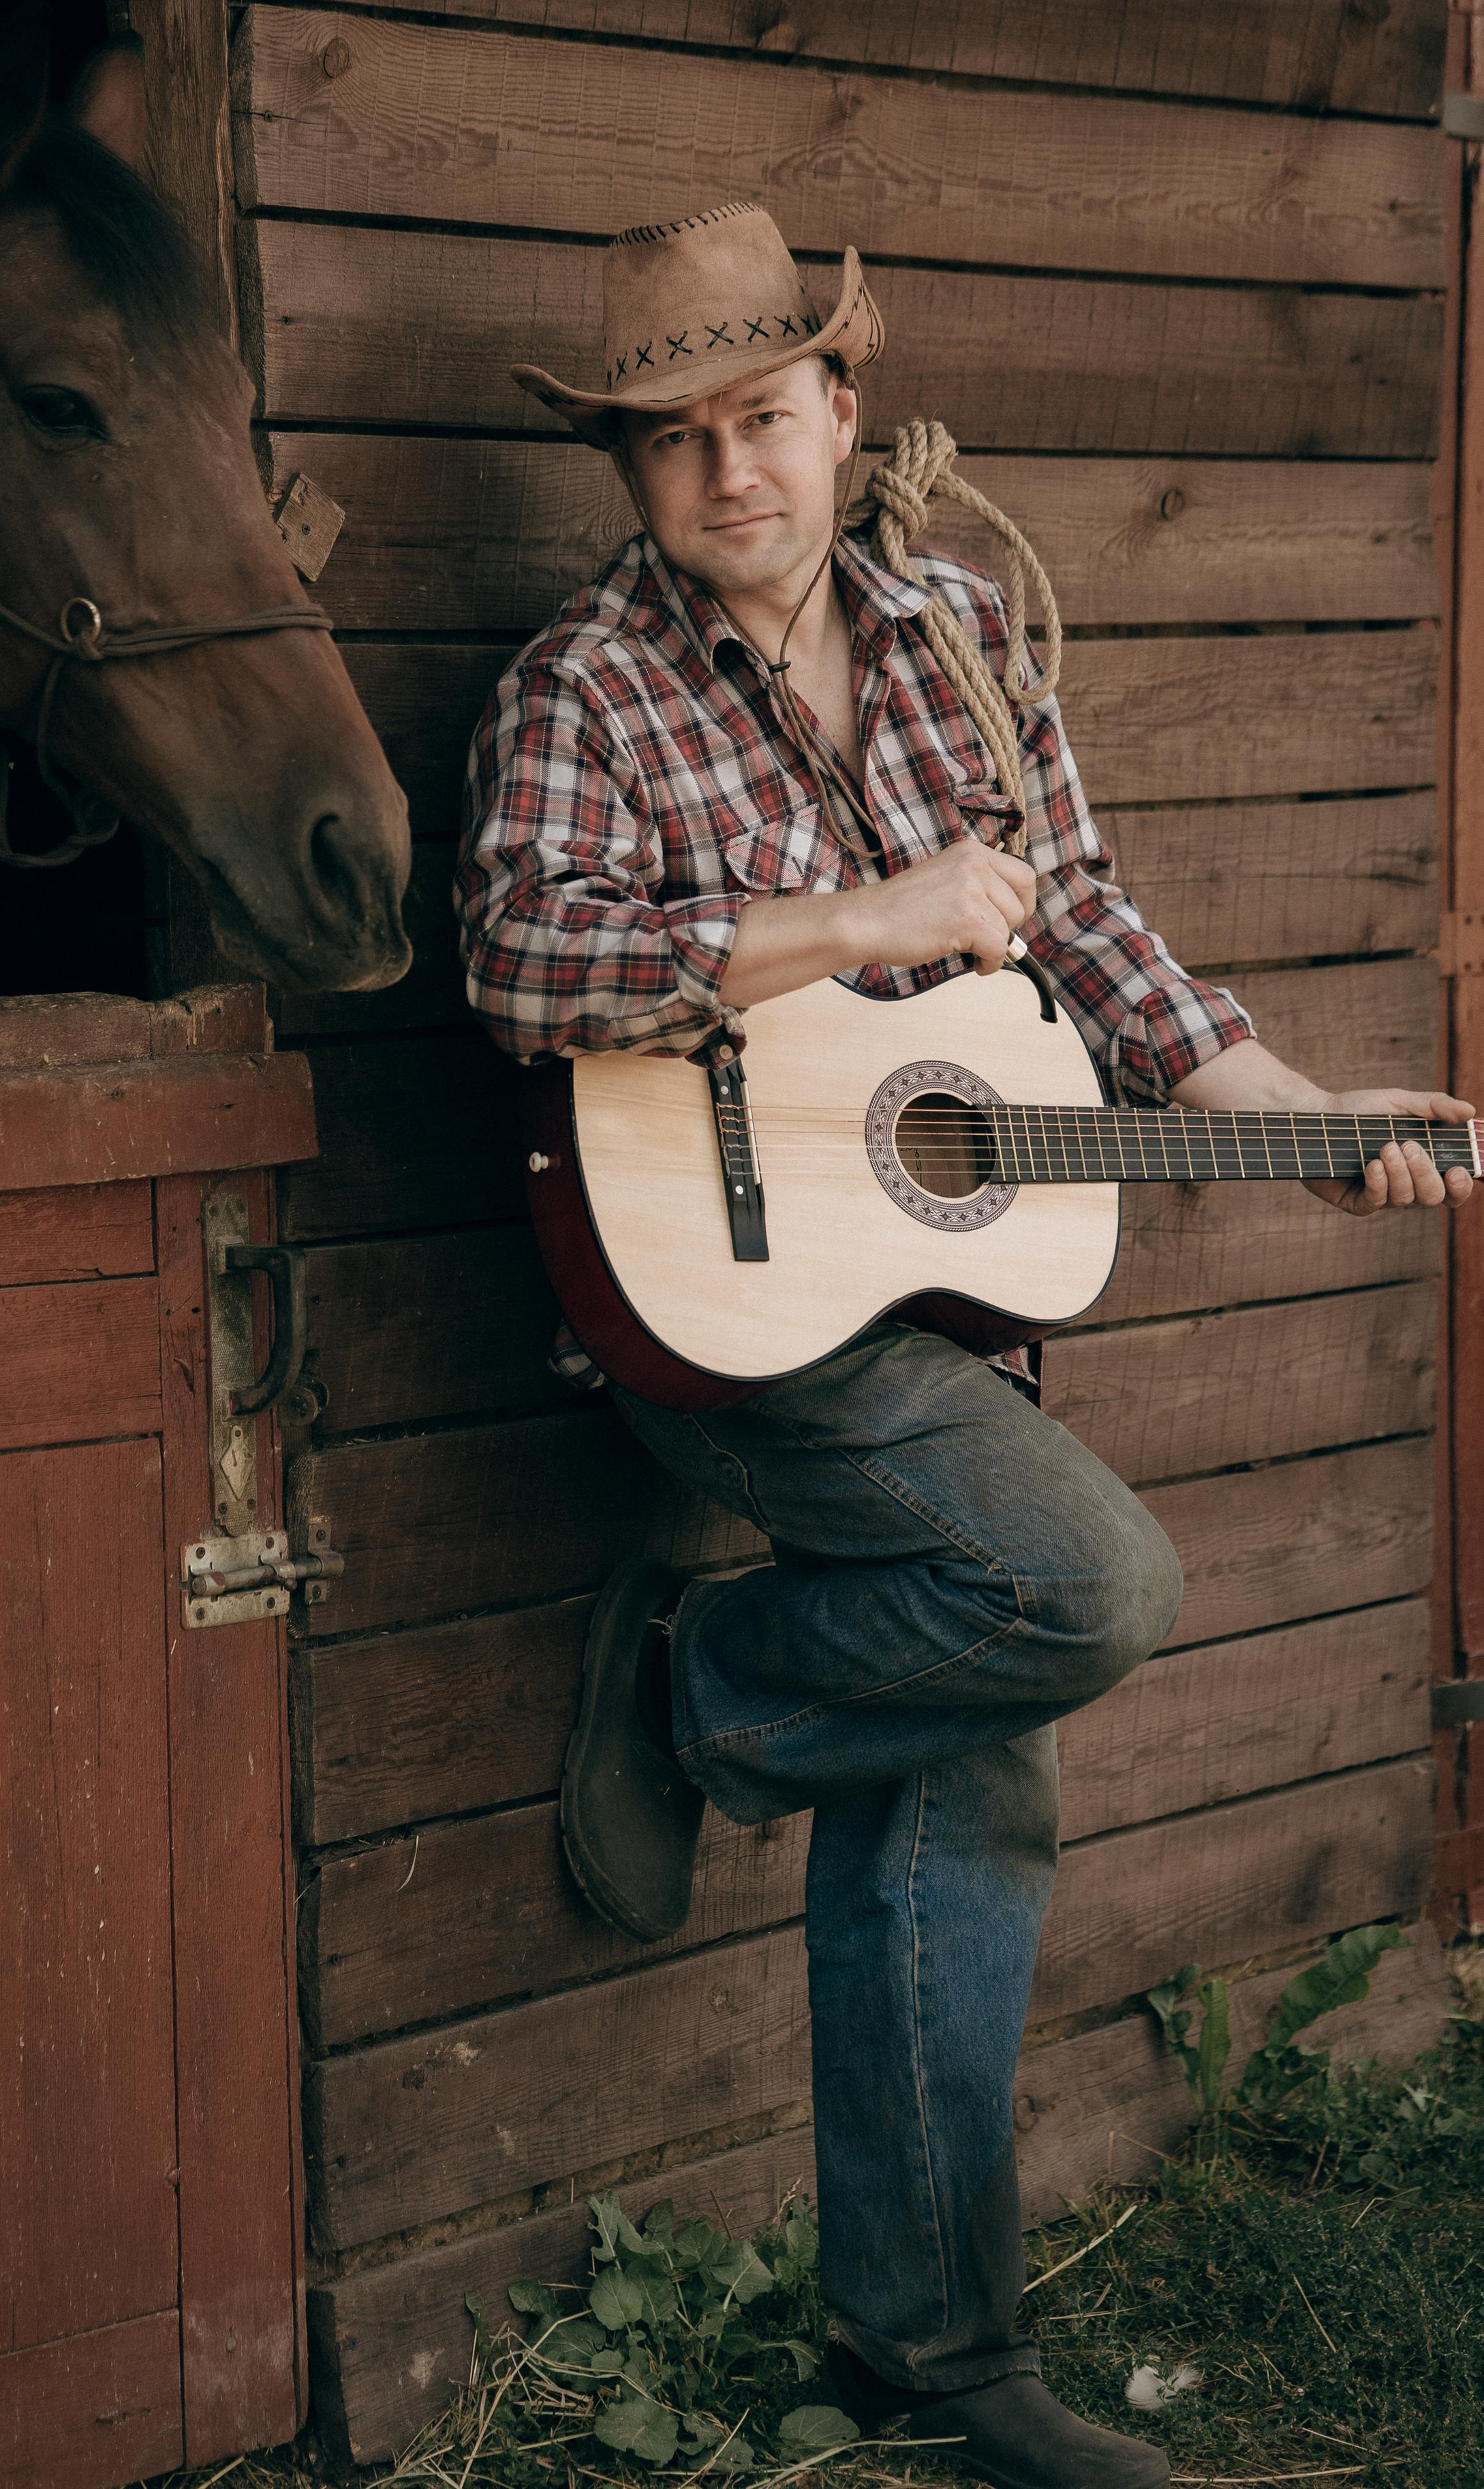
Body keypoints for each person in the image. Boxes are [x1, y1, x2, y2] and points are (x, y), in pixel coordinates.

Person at [452, 202, 1473, 2489]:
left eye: (766, 418)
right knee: (1078, 1591)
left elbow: (1091, 935)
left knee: (967, 1755)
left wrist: (1304, 1123)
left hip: (926, 1284)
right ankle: (703, 1697)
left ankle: (934, 2368)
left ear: (842, 412)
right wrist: (860, 921)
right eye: (677, 441)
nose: (732, 474)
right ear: (633, 473)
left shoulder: (967, 634)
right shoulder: (579, 690)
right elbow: (522, 969)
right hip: (705, 1297)